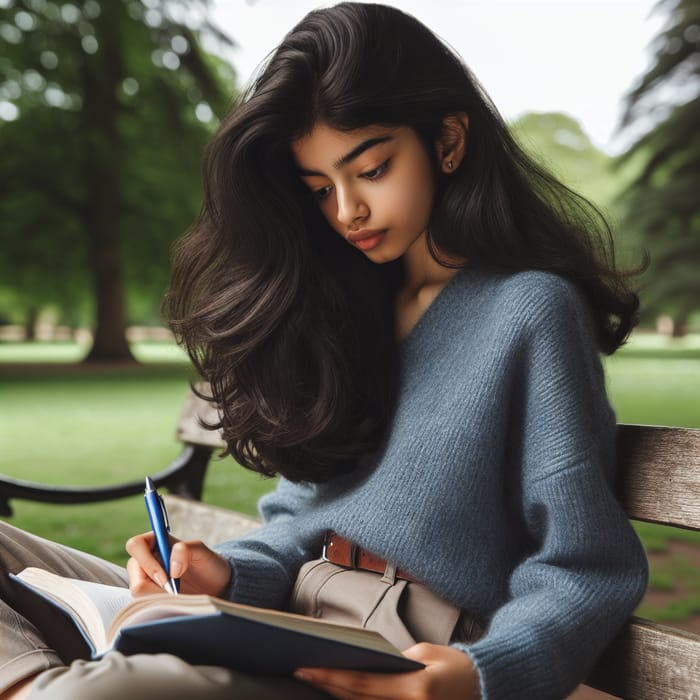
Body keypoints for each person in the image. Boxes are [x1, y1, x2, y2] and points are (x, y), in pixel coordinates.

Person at [0, 3, 648, 699]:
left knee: (94, 693)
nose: (346, 212)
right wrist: (223, 574)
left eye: (370, 170)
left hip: (389, 657)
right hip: (282, 617)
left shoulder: (530, 310)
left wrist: (485, 674)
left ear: (450, 141)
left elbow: (587, 565)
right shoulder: (347, 305)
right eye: (319, 189)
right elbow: (301, 522)